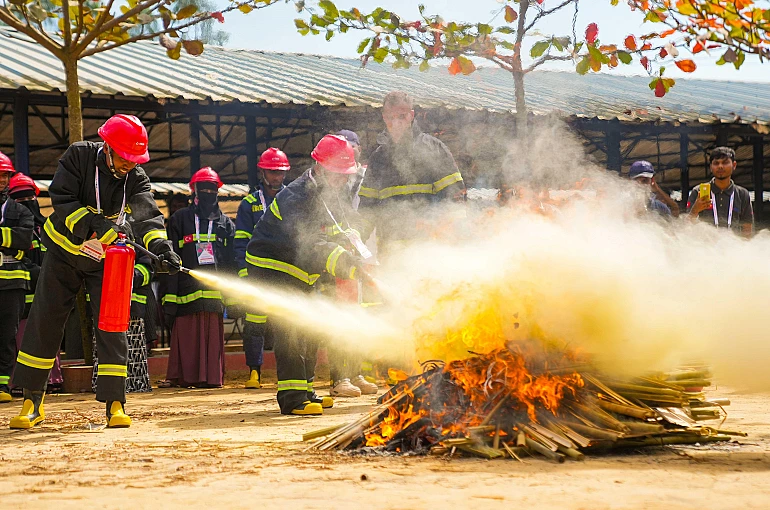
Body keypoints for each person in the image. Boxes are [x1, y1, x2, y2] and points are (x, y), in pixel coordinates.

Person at [10, 114, 180, 429]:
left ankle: (115, 403)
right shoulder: (78, 156)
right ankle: (32, 402)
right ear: (107, 147)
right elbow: (63, 200)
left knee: (113, 327)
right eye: (125, 157)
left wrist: (162, 249)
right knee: (45, 322)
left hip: (105, 259)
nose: (130, 164)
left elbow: (147, 217)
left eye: (134, 159)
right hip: (63, 251)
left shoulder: (136, 177)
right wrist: (96, 224)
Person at [245, 134, 369, 416]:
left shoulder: (329, 194)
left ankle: (305, 388)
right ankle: (293, 398)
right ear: (322, 168)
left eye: (345, 175)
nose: (342, 180)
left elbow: (341, 227)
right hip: (272, 266)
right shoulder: (296, 196)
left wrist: (355, 245)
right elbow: (309, 243)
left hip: (301, 269)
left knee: (311, 326)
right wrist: (344, 261)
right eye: (338, 175)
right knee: (290, 327)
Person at [358, 91, 465, 258]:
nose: (396, 123)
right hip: (390, 253)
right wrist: (357, 243)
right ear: (384, 117)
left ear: (411, 115)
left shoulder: (434, 149)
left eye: (401, 116)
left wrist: (455, 241)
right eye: (390, 117)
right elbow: (366, 209)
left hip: (429, 251)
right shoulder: (378, 158)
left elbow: (455, 199)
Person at [161, 167, 236, 388]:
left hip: (213, 295)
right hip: (184, 291)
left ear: (218, 192)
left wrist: (232, 299)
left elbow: (231, 263)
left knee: (211, 337)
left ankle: (211, 377)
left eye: (212, 189)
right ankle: (184, 377)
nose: (207, 193)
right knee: (186, 335)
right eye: (202, 189)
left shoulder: (225, 224)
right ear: (193, 191)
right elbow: (169, 259)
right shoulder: (179, 219)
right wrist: (169, 299)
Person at [234, 148, 289, 390]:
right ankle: (254, 372)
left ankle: (284, 371)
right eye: (272, 172)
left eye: (280, 172)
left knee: (284, 325)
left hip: (283, 273)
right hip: (257, 272)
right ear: (262, 172)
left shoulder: (292, 199)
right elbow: (240, 241)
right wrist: (245, 275)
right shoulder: (249, 203)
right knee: (254, 324)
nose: (276, 177)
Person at [8, 173, 63, 391]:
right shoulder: (15, 231)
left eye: (29, 198)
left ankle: (53, 380)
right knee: (21, 341)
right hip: (22, 296)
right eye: (19, 200)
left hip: (47, 295)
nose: (26, 203)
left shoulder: (47, 228)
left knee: (49, 338)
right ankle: (21, 384)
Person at [0, 153, 34, 404]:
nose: (2, 180)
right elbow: (17, 241)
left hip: (12, 283)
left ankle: (2, 385)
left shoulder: (20, 211)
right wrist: (9, 239)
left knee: (7, 335)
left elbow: (25, 239)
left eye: (5, 175)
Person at [687, 146, 753, 237]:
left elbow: (747, 229)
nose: (720, 166)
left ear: (734, 165)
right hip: (704, 248)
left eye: (725, 163)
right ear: (711, 167)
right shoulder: (697, 191)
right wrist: (695, 210)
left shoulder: (742, 194)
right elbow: (686, 227)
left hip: (734, 248)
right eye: (716, 163)